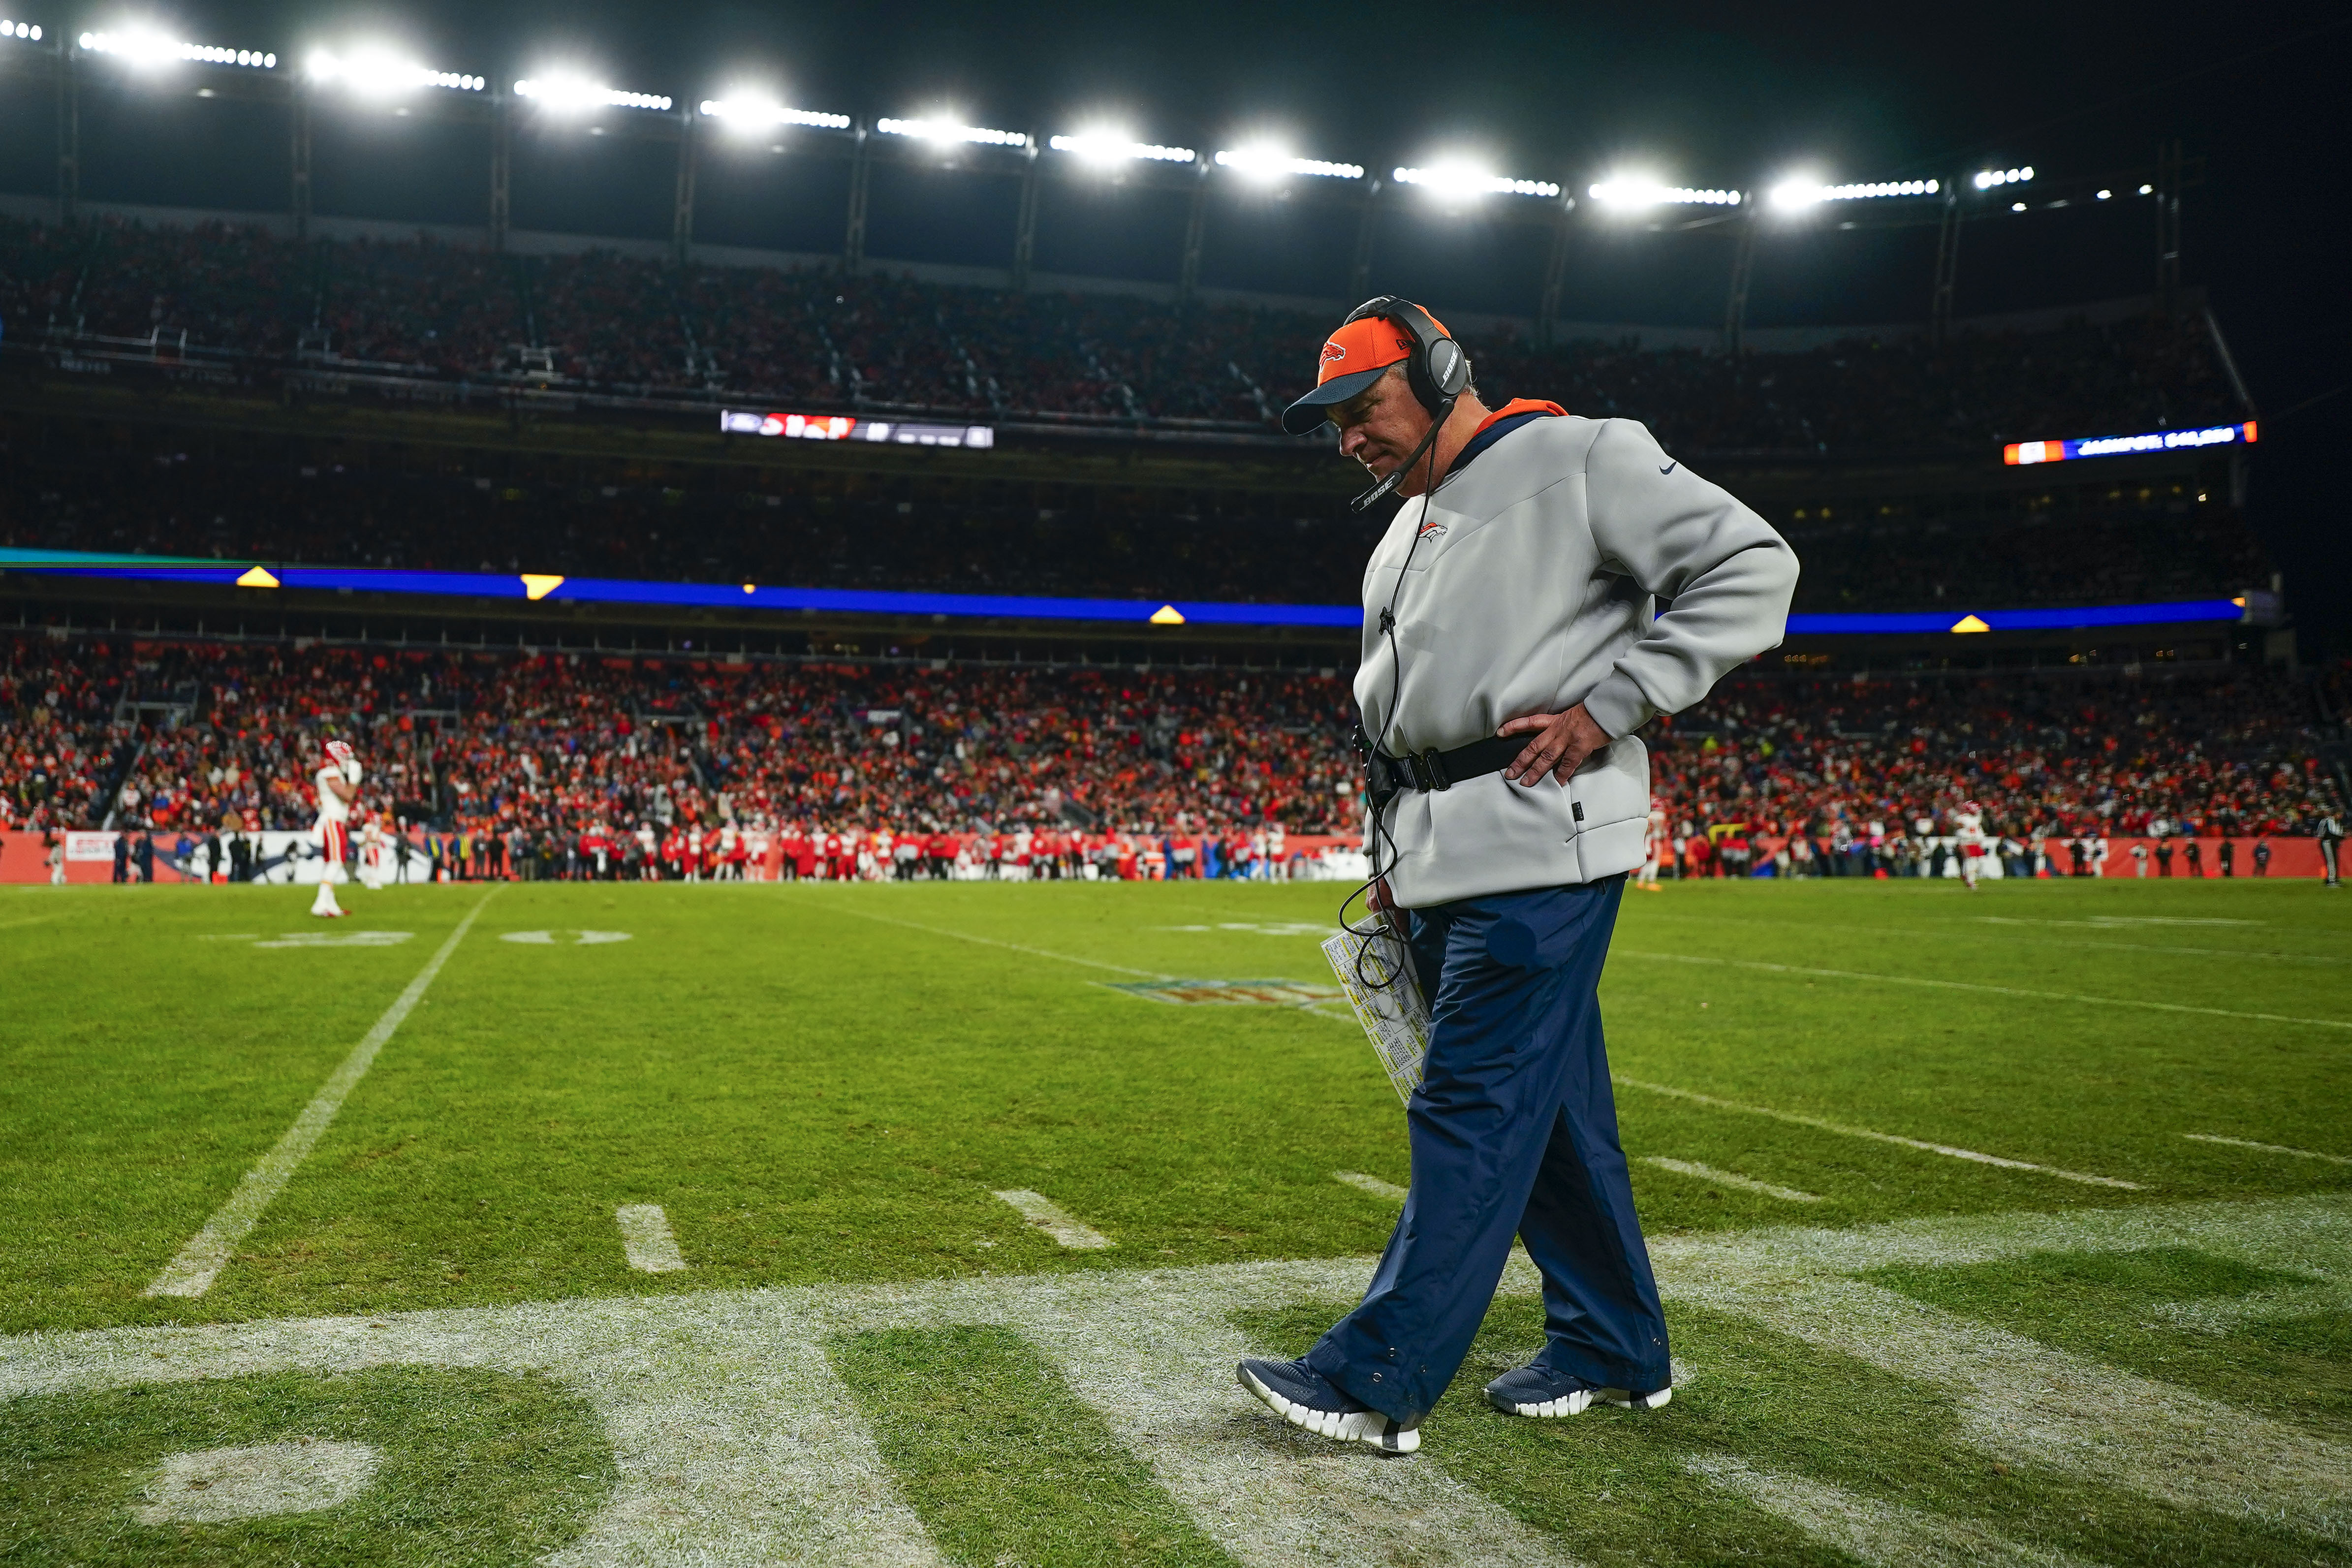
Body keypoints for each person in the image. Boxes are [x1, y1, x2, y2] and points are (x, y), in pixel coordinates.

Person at [1232, 297, 1796, 1453]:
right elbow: (1404, 724)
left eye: (1365, 407)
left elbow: (1752, 563)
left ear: (1440, 373)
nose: (1349, 438)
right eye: (1331, 422)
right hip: (1438, 850)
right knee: (1551, 1123)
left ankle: (1377, 1377)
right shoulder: (1401, 526)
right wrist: (1389, 856)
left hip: (1543, 839)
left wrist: (1611, 705)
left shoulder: (1582, 454)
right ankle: (1614, 1343)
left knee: (1471, 1102)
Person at [310, 739, 360, 918]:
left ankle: (330, 905)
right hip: (332, 821)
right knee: (337, 861)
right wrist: (354, 780)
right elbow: (348, 795)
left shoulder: (330, 772)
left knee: (331, 862)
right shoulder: (330, 772)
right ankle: (320, 903)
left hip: (333, 820)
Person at [1952, 801, 1988, 892]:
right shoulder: (1962, 818)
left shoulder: (1977, 818)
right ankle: (1971, 881)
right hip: (1966, 842)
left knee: (1982, 861)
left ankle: (1967, 875)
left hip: (1976, 842)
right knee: (1971, 861)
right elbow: (1956, 824)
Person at [2321, 810, 2344, 888]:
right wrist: (2342, 836)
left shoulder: (2337, 822)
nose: (2340, 816)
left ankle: (2333, 878)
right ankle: (2332, 880)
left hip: (2332, 842)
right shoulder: (2329, 821)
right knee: (2332, 861)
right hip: (2328, 842)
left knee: (2333, 861)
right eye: (2339, 814)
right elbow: (2333, 833)